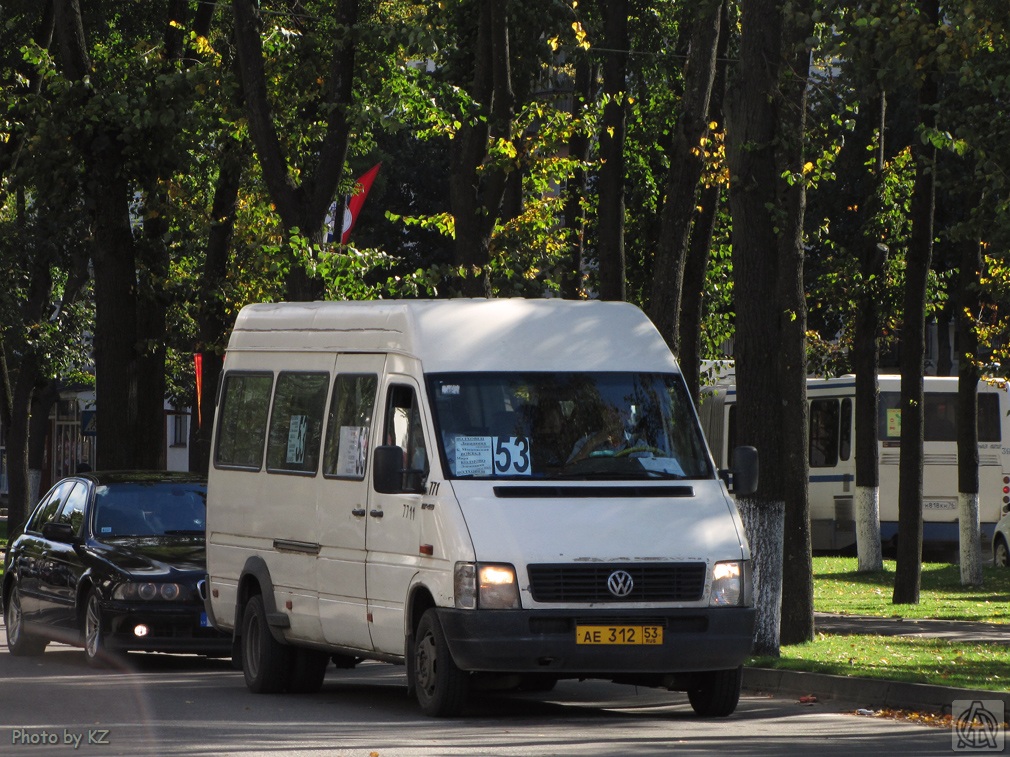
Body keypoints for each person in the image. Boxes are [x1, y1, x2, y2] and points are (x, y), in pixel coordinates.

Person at [567, 405, 646, 463]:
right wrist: (593, 442)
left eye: (618, 411)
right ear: (603, 415)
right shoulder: (585, 442)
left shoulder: (639, 446)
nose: (614, 415)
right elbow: (568, 472)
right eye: (610, 411)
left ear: (626, 415)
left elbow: (653, 472)